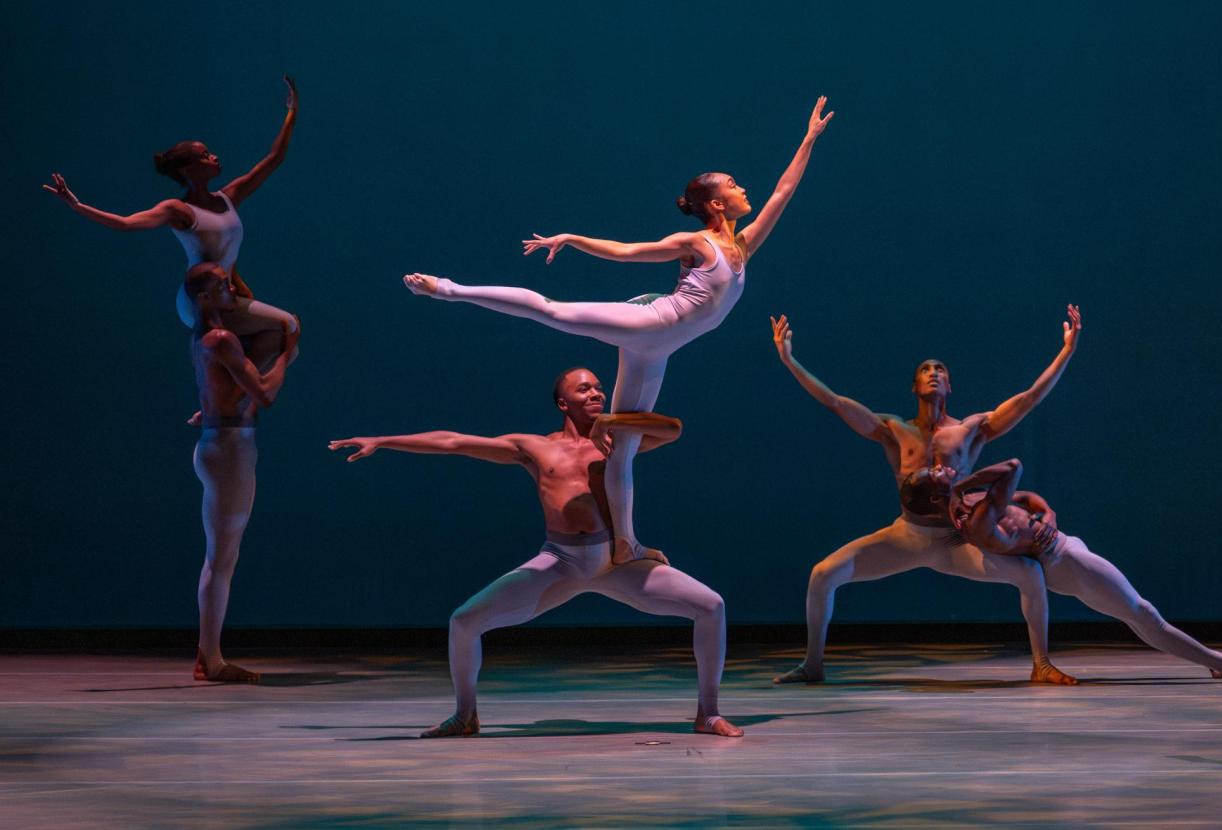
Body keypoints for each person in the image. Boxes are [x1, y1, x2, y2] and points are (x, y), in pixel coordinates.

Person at [404, 96, 833, 568]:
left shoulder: (742, 246)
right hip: (652, 321)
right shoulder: (696, 243)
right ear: (715, 203)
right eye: (733, 185)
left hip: (661, 349)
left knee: (622, 447)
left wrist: (808, 138)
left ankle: (626, 543)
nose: (743, 187)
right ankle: (447, 289)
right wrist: (572, 239)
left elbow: (781, 194)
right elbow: (628, 252)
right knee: (553, 311)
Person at [328, 368, 741, 738]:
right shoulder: (535, 448)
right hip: (560, 563)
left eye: (599, 388)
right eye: (584, 390)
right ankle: (465, 715)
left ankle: (707, 713)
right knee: (464, 622)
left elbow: (673, 429)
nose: (596, 393)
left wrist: (614, 419)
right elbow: (453, 442)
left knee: (711, 606)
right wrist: (383, 440)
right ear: (563, 402)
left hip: (617, 563)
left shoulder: (619, 441)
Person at [769, 309, 1082, 685]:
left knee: (1030, 573)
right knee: (822, 574)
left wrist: (1066, 351)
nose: (934, 373)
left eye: (941, 370)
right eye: (925, 370)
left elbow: (1029, 399)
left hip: (956, 538)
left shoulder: (972, 429)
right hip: (907, 536)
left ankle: (1041, 664)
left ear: (950, 387)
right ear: (915, 387)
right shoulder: (893, 429)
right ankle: (813, 665)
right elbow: (835, 402)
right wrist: (789, 359)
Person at [912, 459, 1222, 683]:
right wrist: (962, 483)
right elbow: (1012, 466)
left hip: (1067, 548)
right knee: (1143, 614)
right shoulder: (973, 521)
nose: (943, 465)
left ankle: (1214, 664)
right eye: (936, 473)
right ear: (935, 498)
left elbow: (1025, 498)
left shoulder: (976, 503)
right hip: (1064, 562)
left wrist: (1048, 512)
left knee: (1137, 616)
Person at [44, 77, 301, 376]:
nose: (213, 156)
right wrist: (77, 205)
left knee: (285, 344)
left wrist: (291, 113)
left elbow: (273, 159)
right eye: (205, 155)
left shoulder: (229, 197)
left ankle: (230, 396)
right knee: (289, 325)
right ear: (189, 169)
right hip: (200, 299)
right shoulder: (179, 210)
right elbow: (126, 224)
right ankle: (233, 396)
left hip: (226, 292)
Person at [183, 263, 297, 681]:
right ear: (203, 298)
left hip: (221, 443)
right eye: (221, 285)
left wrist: (234, 275)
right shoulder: (222, 339)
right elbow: (265, 393)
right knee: (221, 559)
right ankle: (209, 659)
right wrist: (285, 355)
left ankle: (208, 655)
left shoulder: (205, 336)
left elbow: (227, 389)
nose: (231, 289)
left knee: (221, 557)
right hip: (228, 450)